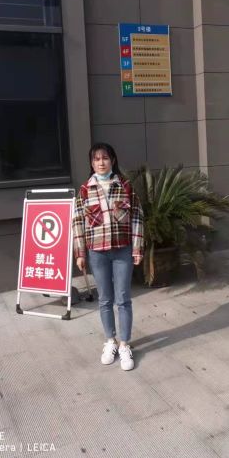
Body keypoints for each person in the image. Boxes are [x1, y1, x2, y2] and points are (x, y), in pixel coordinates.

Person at [72, 143, 144, 371]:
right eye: (96, 159)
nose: (101, 162)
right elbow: (77, 223)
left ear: (112, 160)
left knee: (123, 299)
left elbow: (137, 218)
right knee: (104, 299)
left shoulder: (125, 186)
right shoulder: (85, 190)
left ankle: (124, 344)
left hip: (122, 251)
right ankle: (110, 341)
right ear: (91, 163)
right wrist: (80, 254)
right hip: (97, 253)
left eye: (105, 158)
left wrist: (137, 249)